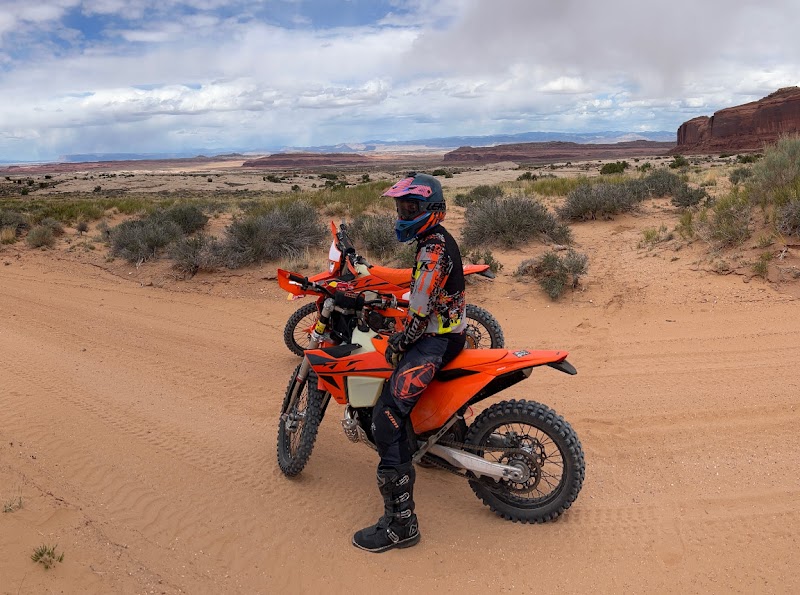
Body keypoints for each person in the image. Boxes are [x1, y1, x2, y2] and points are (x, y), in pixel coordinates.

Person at [352, 172, 467, 553]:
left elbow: (418, 313)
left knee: (386, 419)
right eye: (400, 206)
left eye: (410, 207)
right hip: (444, 332)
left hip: (436, 341)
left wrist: (400, 339)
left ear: (431, 209)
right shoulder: (432, 241)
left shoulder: (432, 248)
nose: (402, 213)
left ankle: (402, 525)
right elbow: (420, 296)